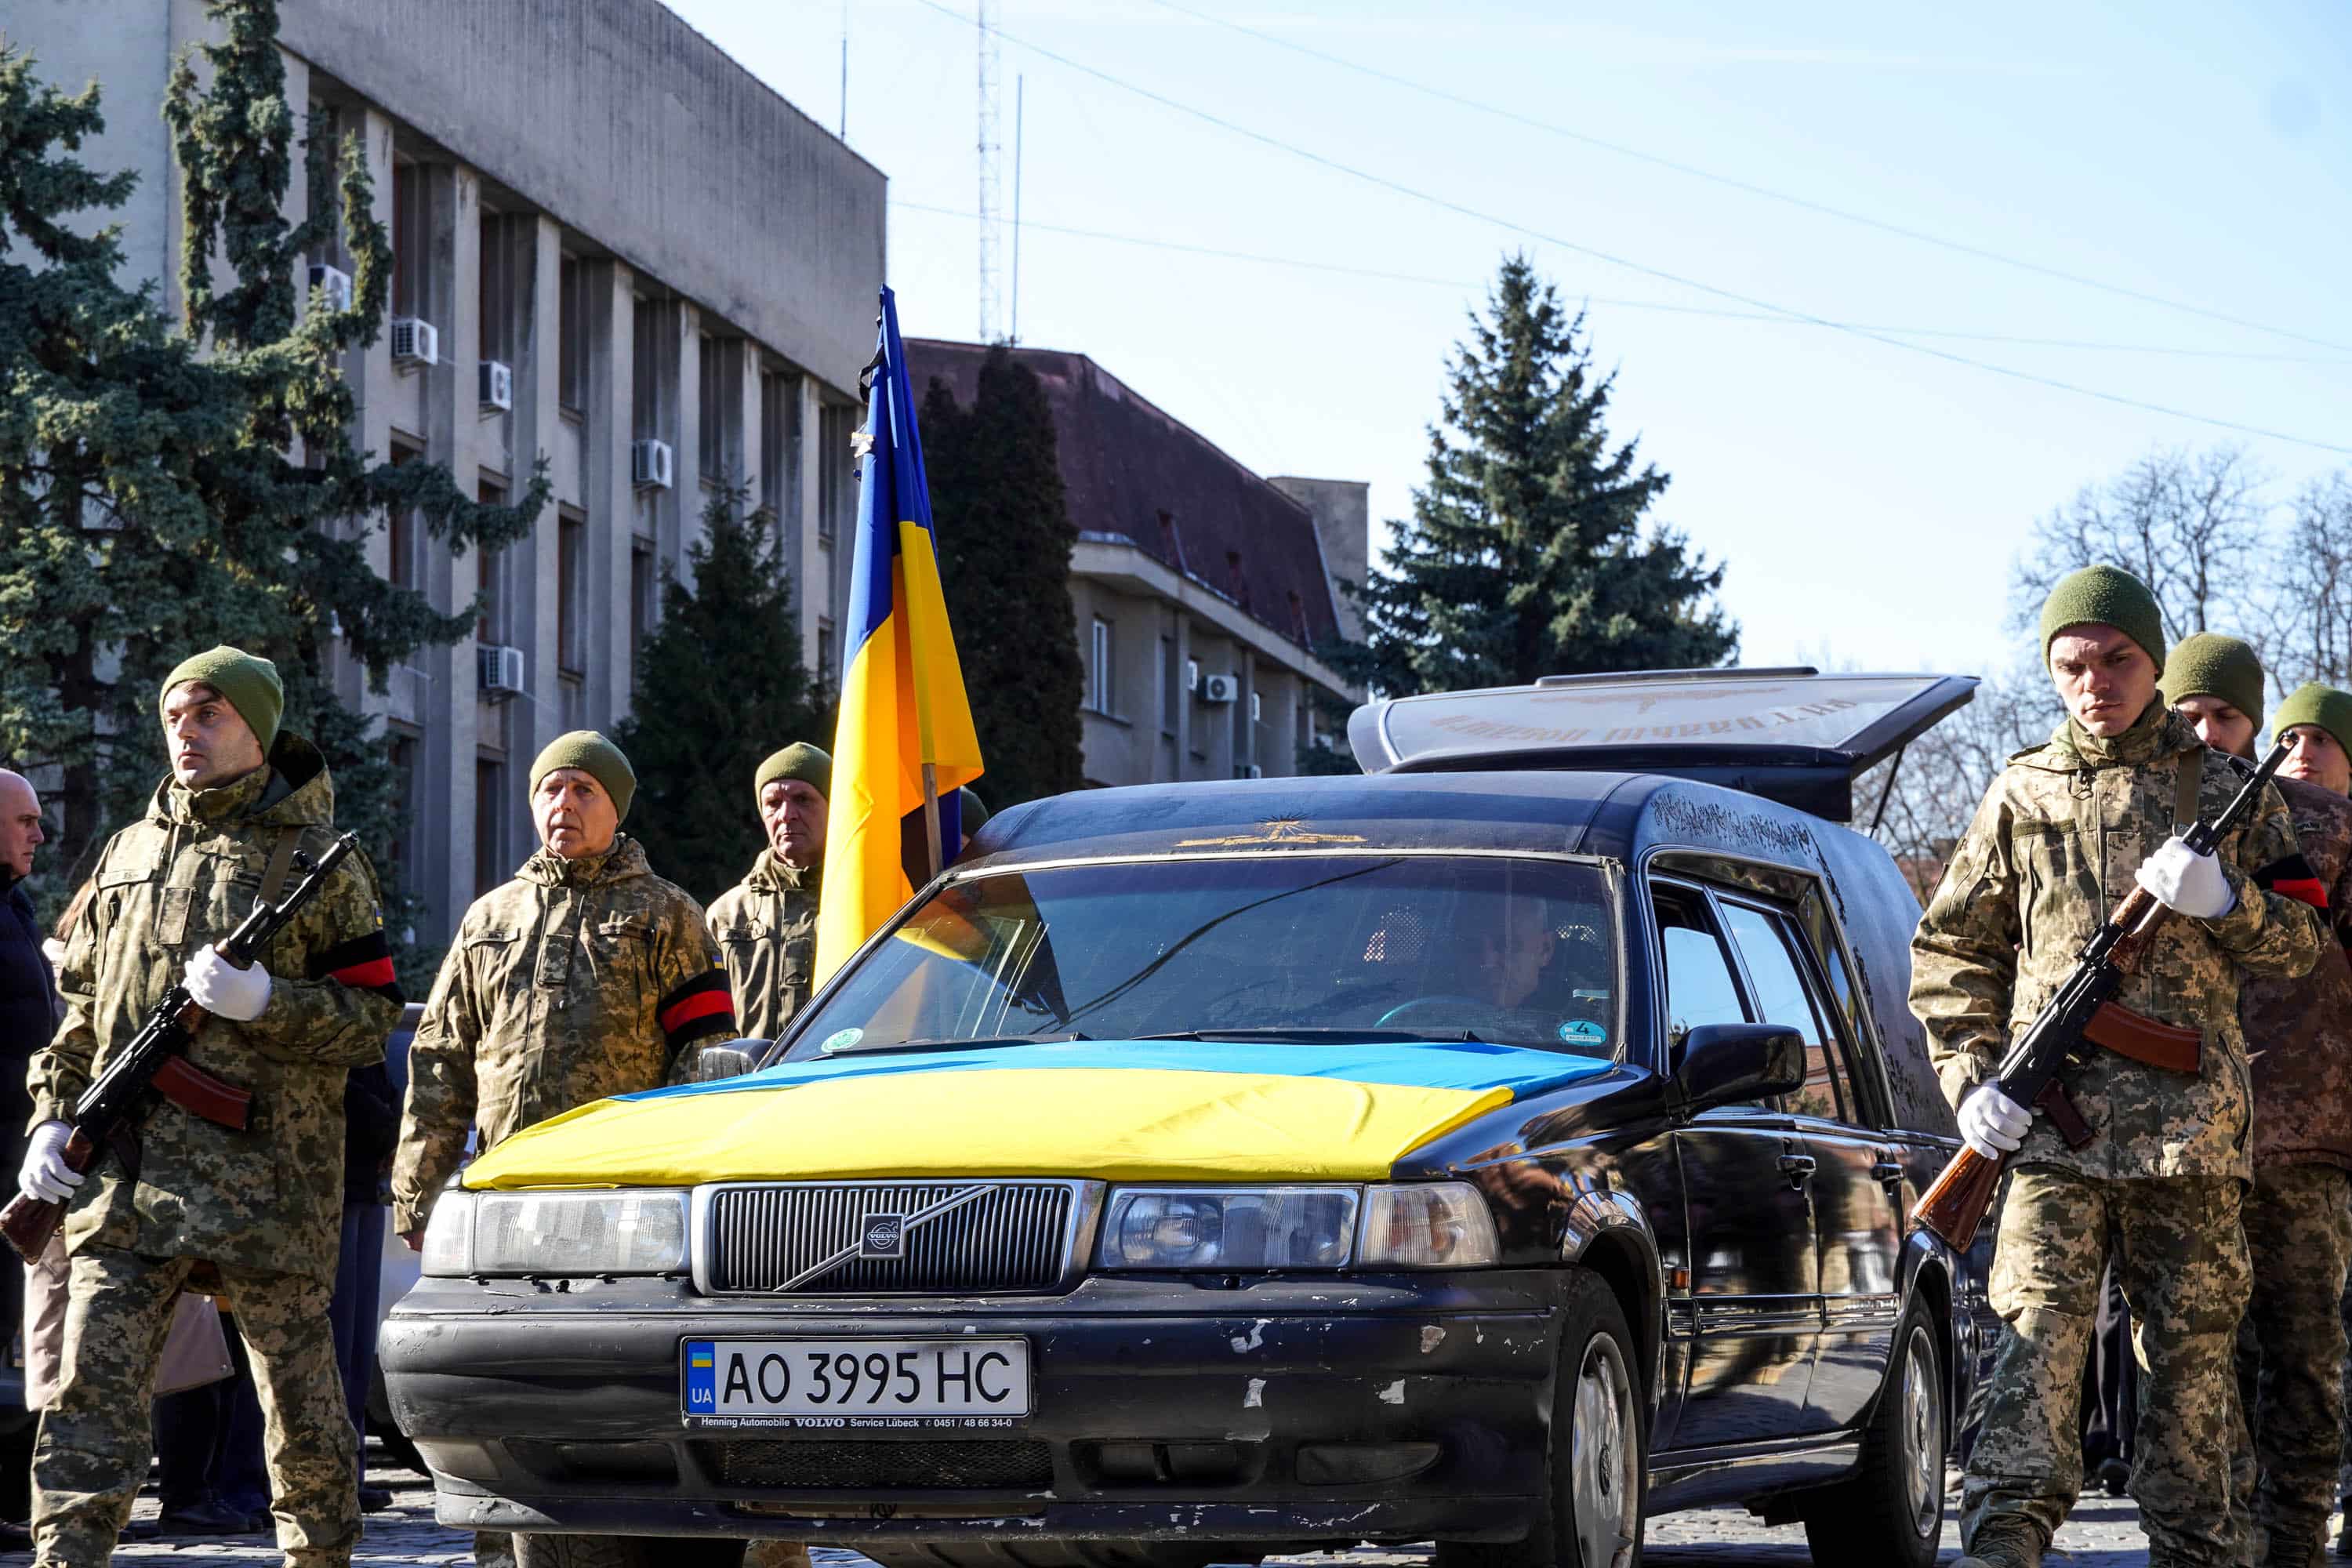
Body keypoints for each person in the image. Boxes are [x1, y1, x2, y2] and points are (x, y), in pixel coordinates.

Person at [1910, 569, 2324, 1568]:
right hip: (2049, 1141)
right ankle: (2003, 1549)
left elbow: (2304, 943)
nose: (2094, 681)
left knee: (2191, 1411)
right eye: (2072, 665)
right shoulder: (2020, 790)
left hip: (2190, 1147)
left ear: (2153, 658)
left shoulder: (2224, 791)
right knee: (2029, 1369)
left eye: (2118, 660)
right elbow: (1952, 952)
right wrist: (1972, 1086)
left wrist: (2230, 904)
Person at [19, 646, 404, 1568]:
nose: (186, 733)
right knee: (89, 1404)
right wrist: (48, 1115)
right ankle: (64, 1556)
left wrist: (271, 1001)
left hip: (267, 1186)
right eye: (176, 716)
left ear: (257, 730)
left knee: (302, 1409)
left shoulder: (321, 864)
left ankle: (320, 1556)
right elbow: (87, 1018)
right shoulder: (129, 852)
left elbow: (373, 1020)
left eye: (209, 715)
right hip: (128, 1183)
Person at [391, 731, 735, 1568]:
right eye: (550, 789)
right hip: (507, 1200)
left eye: (582, 789)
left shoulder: (667, 914)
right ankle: (501, 1551)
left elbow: (705, 1060)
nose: (563, 805)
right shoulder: (491, 918)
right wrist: (419, 1186)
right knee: (498, 1384)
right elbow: (440, 1057)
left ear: (615, 807)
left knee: (593, 1393)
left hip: (618, 1207)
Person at [2164, 648, 2352, 1567]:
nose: (2209, 737)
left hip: (2300, 1138)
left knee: (2304, 1355)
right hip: (2179, 1144)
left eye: (2227, 718)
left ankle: (2297, 1545)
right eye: (2189, 715)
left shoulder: (2320, 822)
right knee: (2203, 1365)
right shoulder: (2129, 818)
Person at [707, 744, 829, 1040]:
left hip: (838, 1078)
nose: (787, 815)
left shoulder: (860, 900)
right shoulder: (726, 913)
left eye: (803, 799)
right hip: (751, 1081)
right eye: (773, 803)